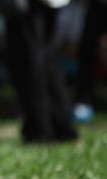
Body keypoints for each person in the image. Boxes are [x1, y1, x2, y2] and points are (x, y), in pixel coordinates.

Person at [5, 0, 78, 143]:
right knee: (47, 60)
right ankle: (61, 126)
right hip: (50, 3)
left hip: (29, 6)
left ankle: (39, 129)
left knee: (29, 61)